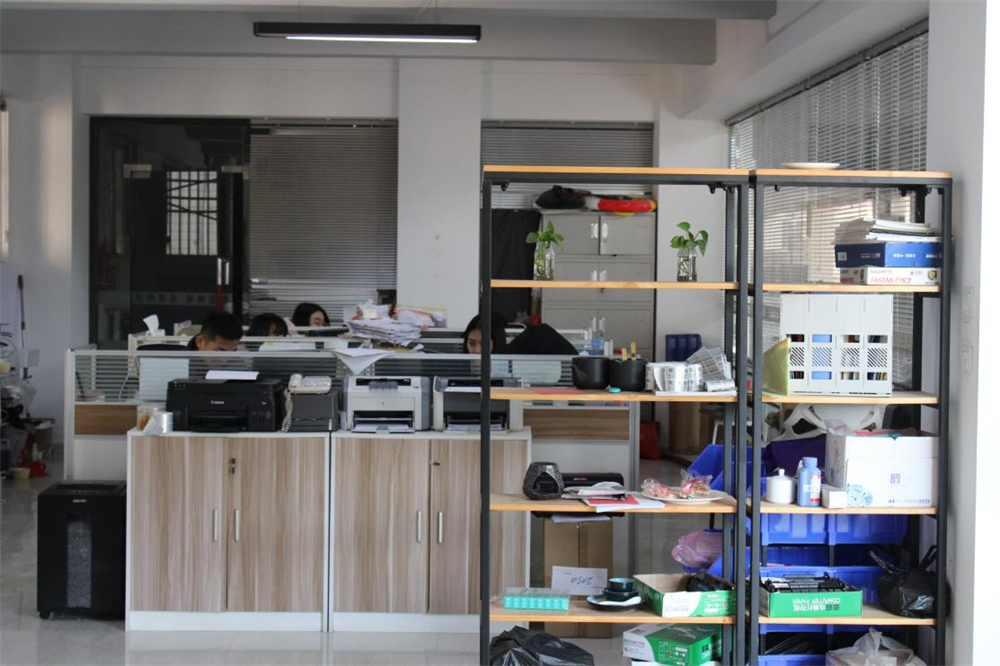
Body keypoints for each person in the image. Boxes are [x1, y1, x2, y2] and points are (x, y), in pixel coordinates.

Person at [462, 312, 577, 356]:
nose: (476, 350)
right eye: (471, 343)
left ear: (497, 343)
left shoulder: (512, 365)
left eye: (484, 344)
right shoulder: (459, 369)